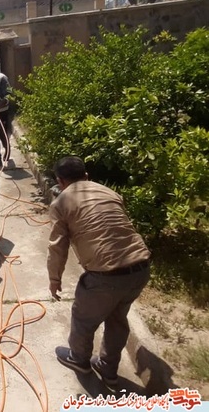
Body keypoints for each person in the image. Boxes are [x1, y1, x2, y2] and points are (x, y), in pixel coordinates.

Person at [47, 156, 150, 391]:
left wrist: (54, 280)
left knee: (83, 319)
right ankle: (108, 368)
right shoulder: (109, 192)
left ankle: (79, 360)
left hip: (106, 276)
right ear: (86, 176)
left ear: (59, 181)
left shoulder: (61, 203)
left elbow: (57, 247)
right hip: (140, 268)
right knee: (117, 319)